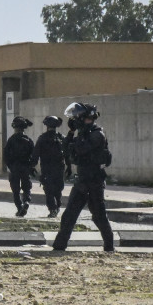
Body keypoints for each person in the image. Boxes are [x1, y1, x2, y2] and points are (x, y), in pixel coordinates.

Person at [53, 102, 114, 252]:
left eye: (81, 119)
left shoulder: (97, 134)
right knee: (69, 215)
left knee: (99, 216)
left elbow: (80, 150)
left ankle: (109, 247)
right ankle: (59, 246)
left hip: (94, 182)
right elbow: (66, 148)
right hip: (82, 181)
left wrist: (77, 136)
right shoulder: (83, 133)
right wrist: (71, 132)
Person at [31, 115, 72, 218]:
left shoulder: (42, 138)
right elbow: (67, 154)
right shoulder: (61, 138)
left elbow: (35, 155)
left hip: (47, 169)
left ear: (46, 126)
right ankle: (56, 207)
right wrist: (69, 167)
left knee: (49, 190)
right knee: (58, 190)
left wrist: (32, 167)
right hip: (59, 168)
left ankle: (53, 208)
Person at [3, 116, 34, 217]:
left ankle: (19, 207)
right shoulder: (28, 140)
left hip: (15, 168)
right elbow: (33, 155)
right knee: (26, 188)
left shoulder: (11, 140)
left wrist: (10, 166)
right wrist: (31, 167)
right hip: (25, 167)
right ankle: (26, 202)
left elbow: (6, 155)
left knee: (15, 190)